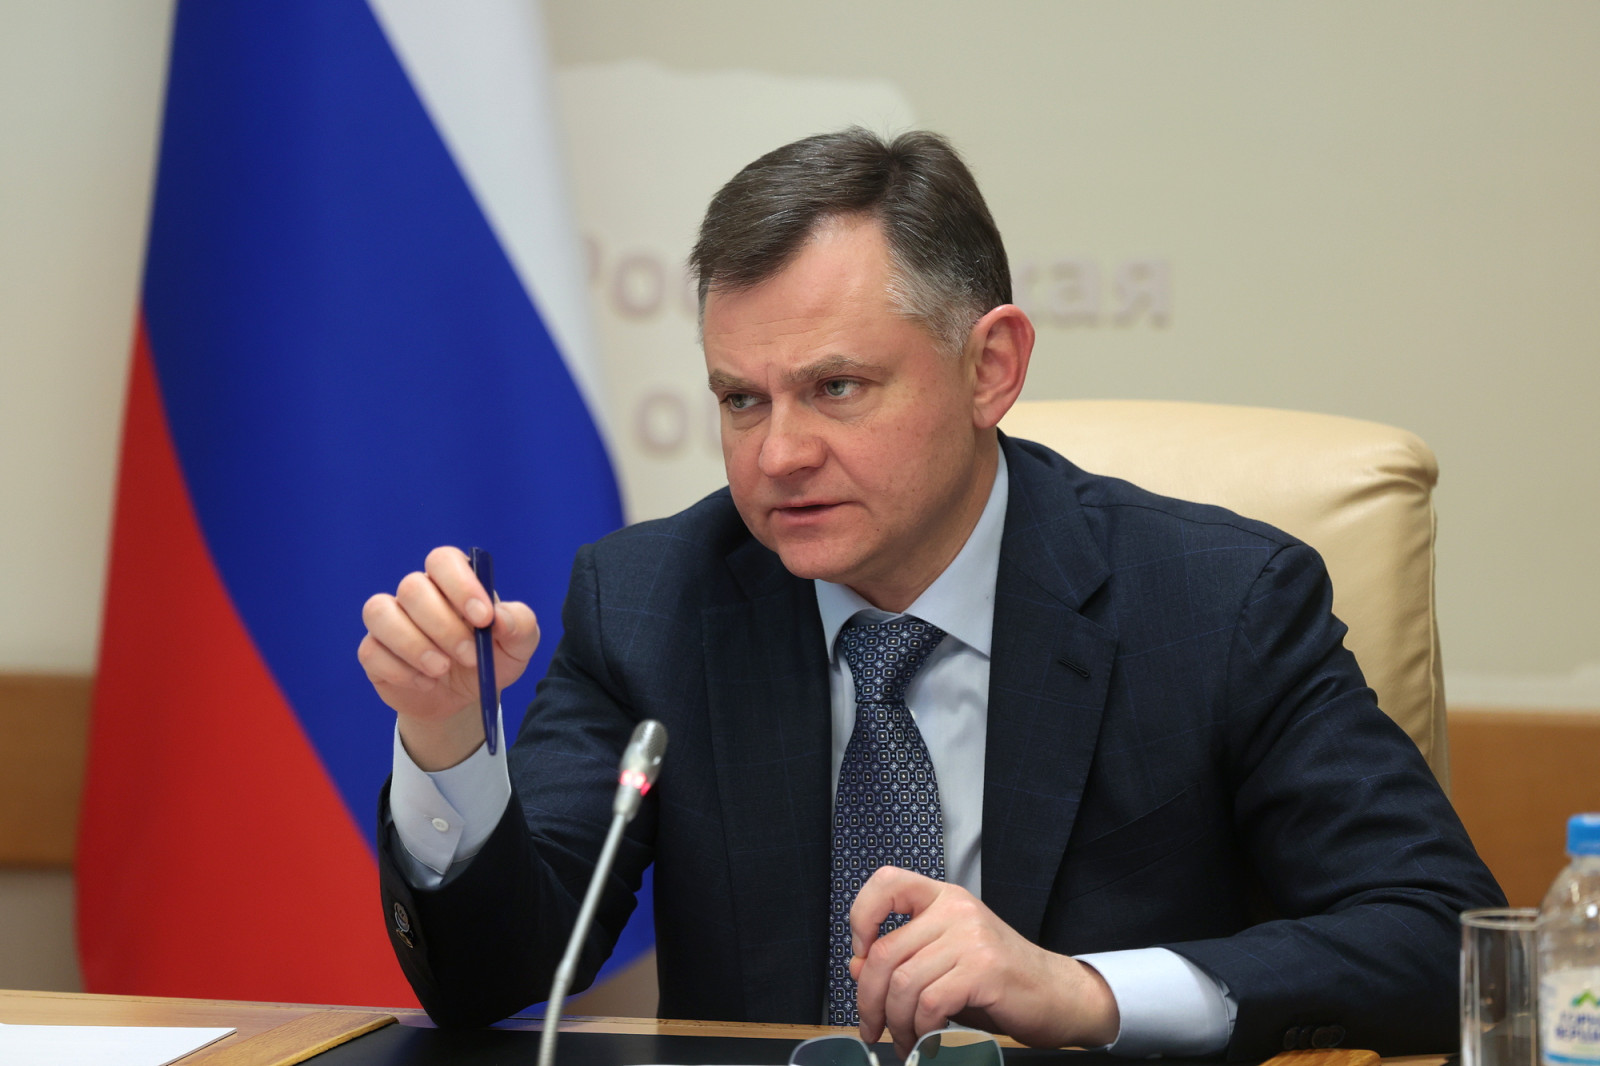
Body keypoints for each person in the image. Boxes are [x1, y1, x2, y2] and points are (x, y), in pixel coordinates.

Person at [359, 129, 1503, 1058]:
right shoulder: (650, 600)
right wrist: (449, 737)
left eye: (836, 387)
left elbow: (1438, 941)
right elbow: (491, 979)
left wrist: (1085, 992)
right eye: (742, 400)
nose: (777, 454)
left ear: (990, 368)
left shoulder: (1216, 604)